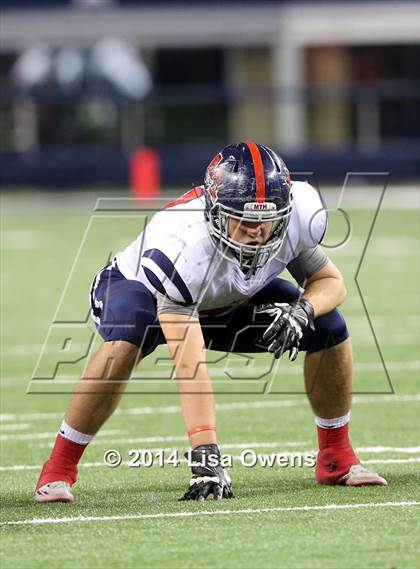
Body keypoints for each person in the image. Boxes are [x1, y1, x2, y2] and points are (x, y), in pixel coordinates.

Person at [34, 141, 387, 503]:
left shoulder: (295, 216)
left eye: (268, 219)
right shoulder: (182, 245)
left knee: (326, 325)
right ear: (215, 212)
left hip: (222, 300)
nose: (257, 231)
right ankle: (59, 469)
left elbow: (330, 282)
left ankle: (336, 457)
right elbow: (191, 365)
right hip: (138, 290)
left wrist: (303, 311)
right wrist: (206, 456)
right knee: (129, 336)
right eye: (246, 220)